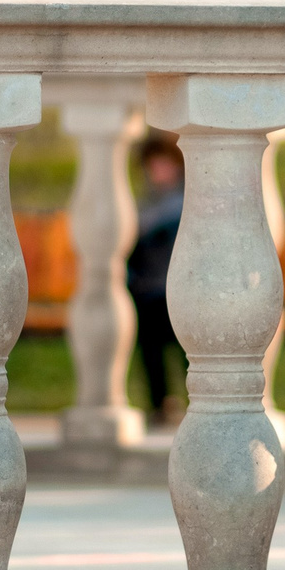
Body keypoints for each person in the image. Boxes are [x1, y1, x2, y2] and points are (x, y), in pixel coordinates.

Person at [126, 135, 186, 424]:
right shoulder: (144, 204)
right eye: (153, 165)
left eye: (164, 164)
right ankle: (160, 402)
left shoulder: (182, 204)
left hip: (179, 292)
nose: (158, 170)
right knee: (147, 325)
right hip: (150, 292)